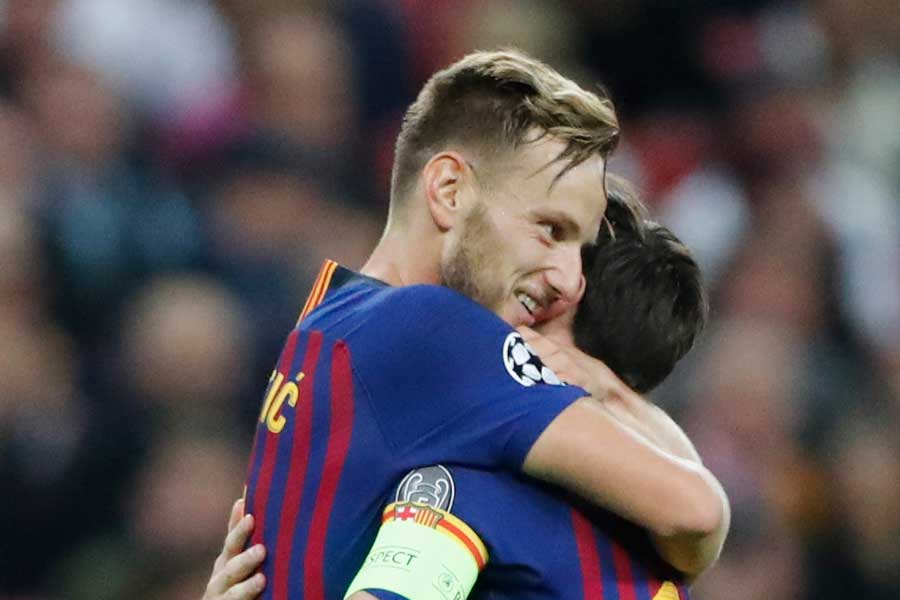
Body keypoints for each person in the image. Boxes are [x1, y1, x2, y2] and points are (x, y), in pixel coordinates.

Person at [205, 49, 727, 600]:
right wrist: (610, 394)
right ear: (449, 190)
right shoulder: (436, 330)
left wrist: (605, 389)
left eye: (580, 247)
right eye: (550, 229)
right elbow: (696, 514)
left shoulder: (327, 321)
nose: (571, 279)